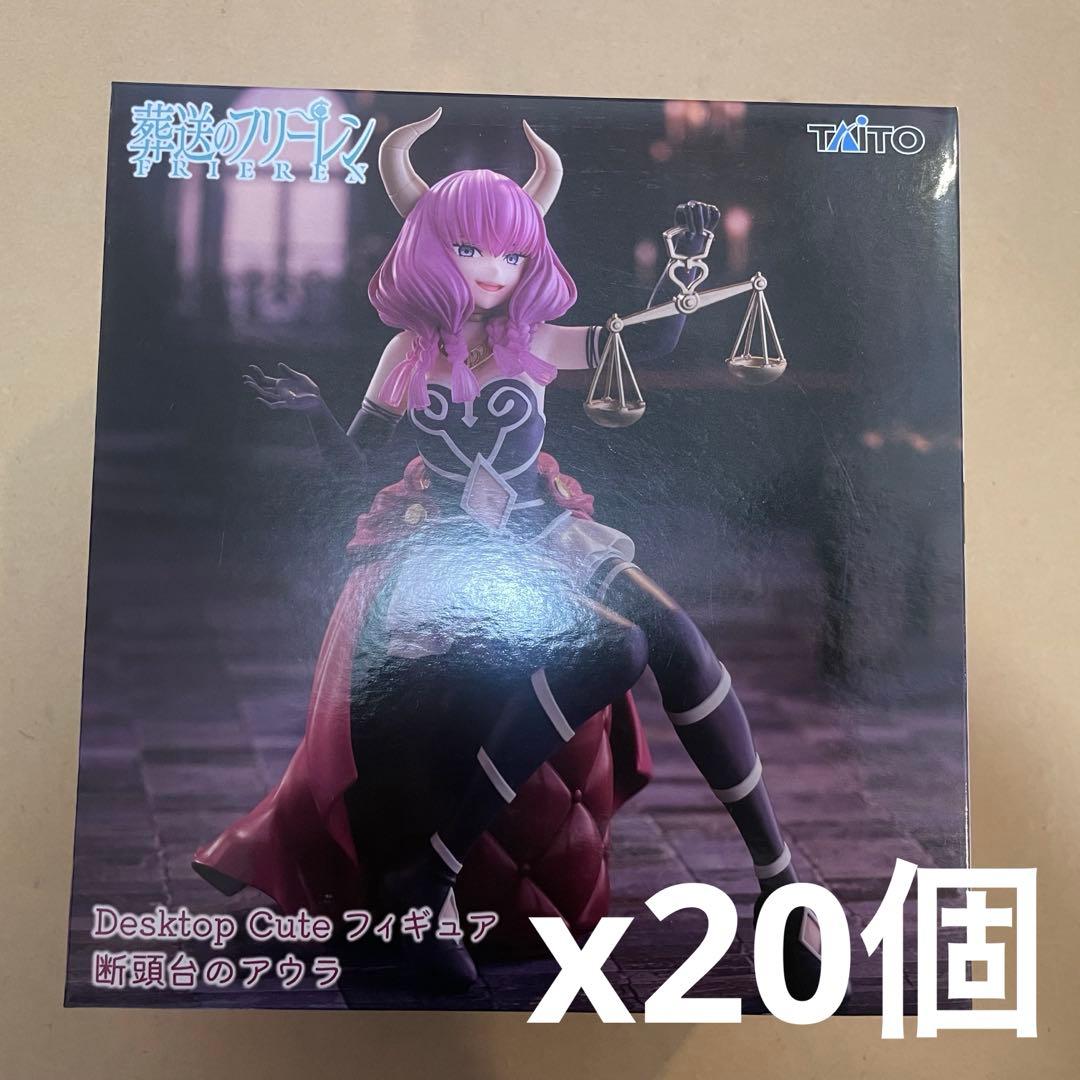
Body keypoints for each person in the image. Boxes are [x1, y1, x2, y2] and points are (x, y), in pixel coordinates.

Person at [195, 110, 823, 997]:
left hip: (542, 529)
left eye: (512, 255)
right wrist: (315, 416)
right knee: (615, 647)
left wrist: (685, 272)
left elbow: (647, 340)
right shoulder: (407, 354)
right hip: (448, 548)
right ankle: (435, 872)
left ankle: (778, 878)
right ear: (429, 250)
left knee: (674, 633)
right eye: (471, 251)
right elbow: (358, 466)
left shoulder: (535, 343)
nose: (494, 271)